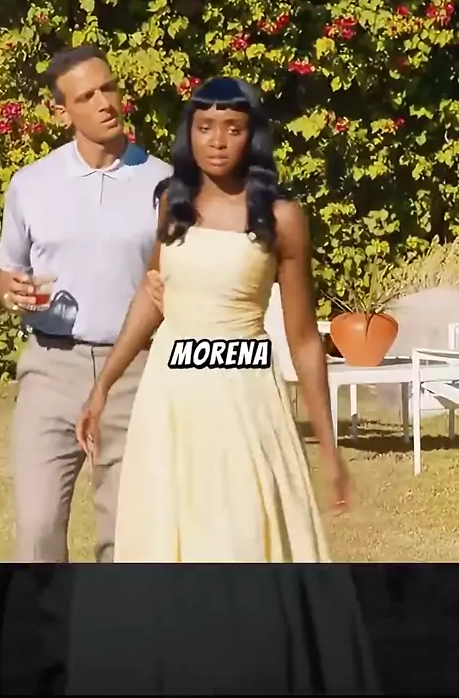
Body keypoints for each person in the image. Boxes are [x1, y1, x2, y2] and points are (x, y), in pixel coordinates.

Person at [66, 77, 381, 694]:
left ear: (251, 135)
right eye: (205, 126)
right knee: (167, 536)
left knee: (237, 538)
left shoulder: (282, 217)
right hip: (170, 400)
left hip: (243, 400)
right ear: (189, 132)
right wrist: (103, 386)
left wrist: (329, 447)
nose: (217, 140)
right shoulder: (171, 202)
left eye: (232, 128)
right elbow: (153, 296)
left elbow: (304, 339)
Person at [0, 43, 171, 693]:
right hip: (51, 367)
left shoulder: (162, 182)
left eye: (108, 88)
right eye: (87, 96)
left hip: (134, 372)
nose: (105, 103)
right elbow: (7, 272)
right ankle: (48, 661)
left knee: (123, 532)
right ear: (61, 111)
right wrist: (10, 293)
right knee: (39, 525)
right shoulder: (31, 184)